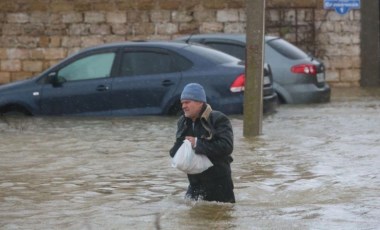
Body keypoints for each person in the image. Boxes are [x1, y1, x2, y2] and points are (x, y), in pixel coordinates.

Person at [169, 83, 235, 203]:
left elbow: (226, 147)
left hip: (219, 184)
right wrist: (178, 151)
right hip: (195, 184)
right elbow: (175, 151)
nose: (183, 106)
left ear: (200, 102)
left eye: (187, 102)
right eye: (182, 103)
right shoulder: (182, 122)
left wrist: (197, 143)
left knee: (222, 218)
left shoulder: (218, 119)